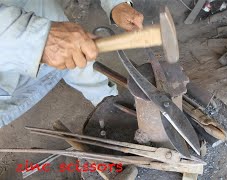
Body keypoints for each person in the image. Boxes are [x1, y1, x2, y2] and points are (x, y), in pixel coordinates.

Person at [0, 0, 144, 127]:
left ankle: (107, 102)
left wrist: (116, 4)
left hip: (24, 7)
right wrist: (35, 37)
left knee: (74, 48)